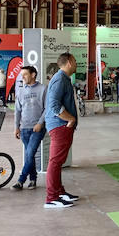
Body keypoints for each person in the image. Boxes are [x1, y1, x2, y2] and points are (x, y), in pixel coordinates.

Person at [44, 52, 80, 209]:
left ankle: (59, 192)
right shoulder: (59, 79)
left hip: (61, 125)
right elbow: (53, 104)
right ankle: (51, 198)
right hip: (60, 125)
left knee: (58, 162)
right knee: (55, 161)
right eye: (76, 61)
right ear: (70, 62)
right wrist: (70, 119)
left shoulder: (63, 79)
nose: (77, 64)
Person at [12, 65, 46, 190]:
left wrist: (40, 123)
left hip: (37, 128)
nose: (22, 77)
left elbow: (47, 108)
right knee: (29, 155)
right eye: (22, 75)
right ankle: (33, 179)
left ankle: (21, 180)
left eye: (25, 74)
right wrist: (16, 127)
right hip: (24, 128)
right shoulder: (21, 91)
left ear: (33, 75)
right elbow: (17, 111)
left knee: (30, 153)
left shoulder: (43, 89)